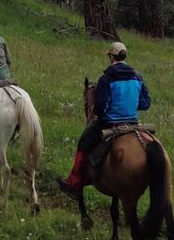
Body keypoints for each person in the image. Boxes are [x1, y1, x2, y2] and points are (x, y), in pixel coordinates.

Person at [56, 41, 150, 199]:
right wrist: (130, 105)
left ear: (112, 57)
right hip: (132, 123)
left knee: (84, 142)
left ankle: (73, 183)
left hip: (110, 122)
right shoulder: (137, 76)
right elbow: (145, 103)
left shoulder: (107, 78)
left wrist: (96, 110)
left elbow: (101, 107)